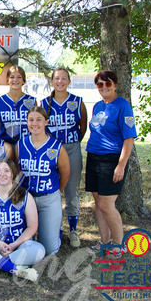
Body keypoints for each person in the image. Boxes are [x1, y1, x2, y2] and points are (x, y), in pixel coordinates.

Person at [86, 70, 137, 254]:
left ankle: (119, 245)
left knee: (107, 205)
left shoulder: (123, 106)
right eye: (100, 84)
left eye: (108, 84)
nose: (104, 87)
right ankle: (104, 242)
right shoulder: (98, 106)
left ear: (115, 85)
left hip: (112, 159)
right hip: (94, 157)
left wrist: (121, 165)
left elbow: (129, 138)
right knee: (98, 202)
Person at [40, 68, 87, 248]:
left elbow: (82, 127)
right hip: (51, 150)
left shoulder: (77, 101)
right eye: (57, 78)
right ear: (52, 81)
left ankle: (73, 229)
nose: (60, 81)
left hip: (72, 147)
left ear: (69, 81)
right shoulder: (44, 102)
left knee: (71, 189)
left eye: (64, 78)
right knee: (54, 188)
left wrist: (72, 143)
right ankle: (57, 228)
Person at [16, 106, 70, 255]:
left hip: (48, 198)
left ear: (46, 122)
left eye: (39, 120)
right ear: (26, 122)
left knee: (50, 250)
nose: (35, 123)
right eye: (31, 120)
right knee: (24, 245)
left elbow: (65, 175)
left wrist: (55, 194)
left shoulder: (56, 147)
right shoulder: (20, 145)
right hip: (27, 199)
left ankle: (55, 227)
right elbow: (17, 171)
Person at [0, 65, 36, 145]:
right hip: (5, 146)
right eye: (12, 77)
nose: (15, 80)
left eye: (19, 77)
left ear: (24, 80)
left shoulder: (32, 101)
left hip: (26, 144)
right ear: (7, 80)